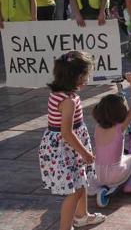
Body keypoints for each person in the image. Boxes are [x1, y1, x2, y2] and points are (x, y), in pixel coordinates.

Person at [38, 51, 106, 230]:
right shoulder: (68, 100)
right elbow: (66, 132)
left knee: (80, 180)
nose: (87, 79)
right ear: (75, 77)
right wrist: (84, 152)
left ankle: (82, 216)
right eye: (86, 75)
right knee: (73, 191)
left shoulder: (59, 94)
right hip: (66, 148)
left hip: (68, 145)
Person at [91, 73, 131, 195]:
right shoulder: (120, 127)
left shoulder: (97, 127)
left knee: (123, 157)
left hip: (98, 174)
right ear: (120, 112)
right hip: (116, 173)